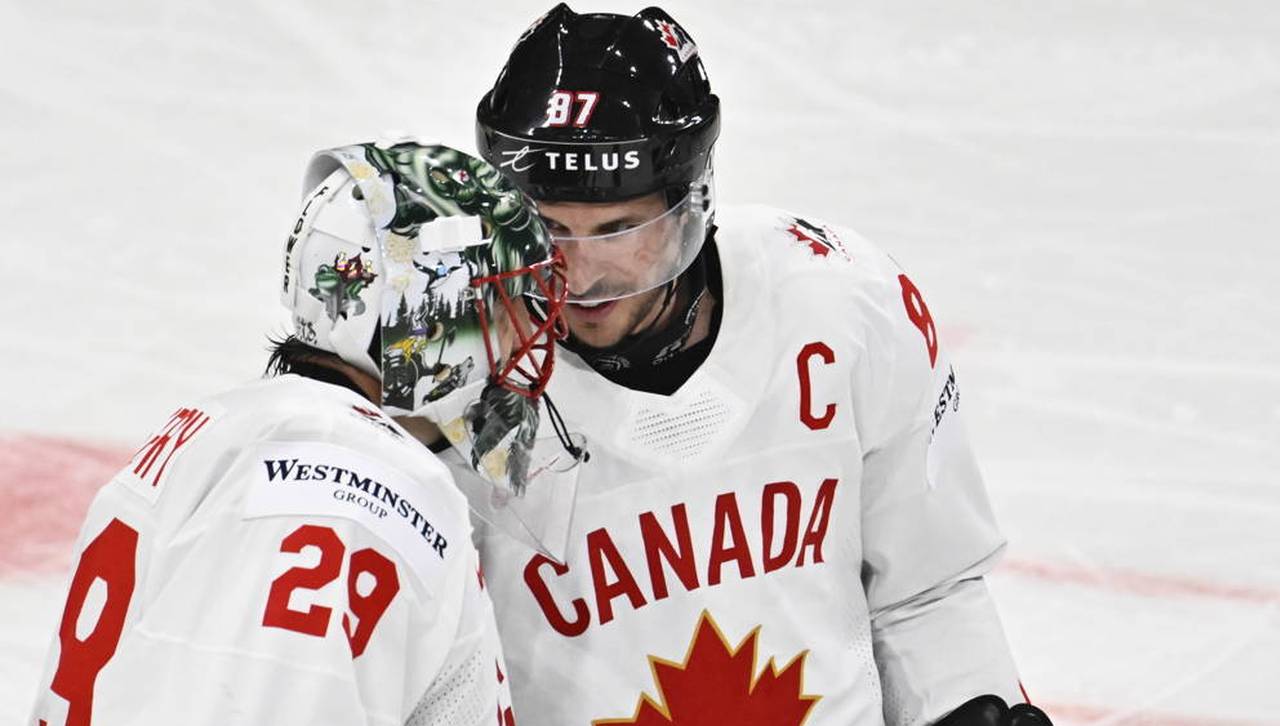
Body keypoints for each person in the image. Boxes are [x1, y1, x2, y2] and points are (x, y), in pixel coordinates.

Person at [468, 6, 1053, 726]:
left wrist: (969, 703)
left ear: (689, 205)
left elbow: (926, 593)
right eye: (548, 228)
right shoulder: (458, 382)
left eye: (619, 230)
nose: (580, 277)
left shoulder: (840, 305)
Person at [28, 141, 568, 725]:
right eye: (505, 305)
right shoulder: (347, 484)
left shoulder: (251, 431)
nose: (525, 337)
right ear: (427, 315)